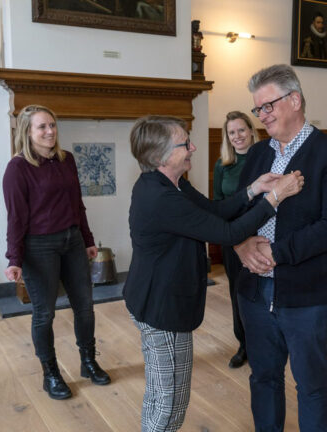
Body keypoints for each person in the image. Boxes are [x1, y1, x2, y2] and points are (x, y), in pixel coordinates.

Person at [124, 115, 303, 432]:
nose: (193, 147)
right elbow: (227, 231)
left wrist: (253, 189)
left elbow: (214, 211)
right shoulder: (161, 198)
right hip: (162, 308)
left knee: (158, 394)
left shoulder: (172, 184)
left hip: (151, 299)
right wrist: (275, 198)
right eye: (184, 143)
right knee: (170, 404)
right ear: (161, 156)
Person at [234, 64, 327, 431]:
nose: (262, 116)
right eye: (258, 109)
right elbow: (236, 210)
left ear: (295, 100)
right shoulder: (256, 155)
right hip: (254, 292)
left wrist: (276, 252)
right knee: (263, 378)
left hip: (308, 293)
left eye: (267, 106)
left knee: (311, 384)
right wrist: (240, 245)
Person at [2, 104, 111, 400]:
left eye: (52, 125)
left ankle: (88, 362)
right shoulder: (17, 168)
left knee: (85, 306)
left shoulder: (67, 160)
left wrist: (88, 238)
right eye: (42, 127)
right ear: (28, 132)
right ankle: (50, 373)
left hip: (72, 241)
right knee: (44, 313)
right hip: (39, 248)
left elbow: (78, 204)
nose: (50, 131)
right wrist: (14, 258)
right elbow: (16, 217)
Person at [212, 110, 260, 369]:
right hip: (233, 238)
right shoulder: (222, 165)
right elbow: (218, 203)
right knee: (237, 292)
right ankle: (243, 344)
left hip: (262, 235)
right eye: (232, 132)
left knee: (262, 289)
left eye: (241, 130)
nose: (237, 136)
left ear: (251, 130)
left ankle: (264, 341)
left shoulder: (265, 158)